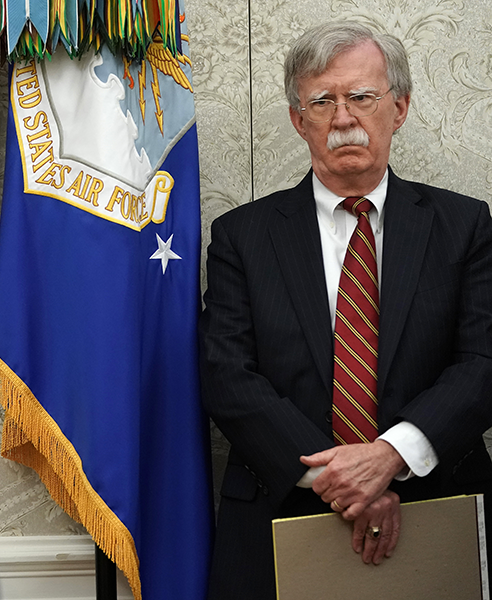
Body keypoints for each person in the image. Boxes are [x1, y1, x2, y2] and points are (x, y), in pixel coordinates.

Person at [201, 21, 492, 600]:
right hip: (279, 515)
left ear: (400, 107)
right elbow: (227, 377)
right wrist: (342, 480)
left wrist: (389, 458)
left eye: (361, 96)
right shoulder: (242, 235)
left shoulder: (465, 226)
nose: (343, 117)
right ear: (297, 118)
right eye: (322, 100)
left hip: (437, 517)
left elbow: (483, 364)